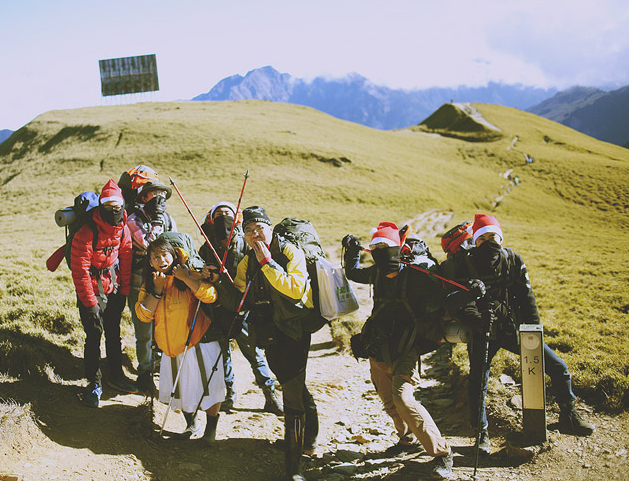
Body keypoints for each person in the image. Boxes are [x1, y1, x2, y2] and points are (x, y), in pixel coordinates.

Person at [446, 213, 595, 454]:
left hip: (511, 329)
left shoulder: (513, 260)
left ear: (501, 238)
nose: (488, 242)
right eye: (482, 238)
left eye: (492, 236)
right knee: (478, 382)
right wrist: (477, 319)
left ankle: (569, 414)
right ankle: (481, 433)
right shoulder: (464, 264)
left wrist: (533, 331)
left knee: (558, 367)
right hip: (482, 332)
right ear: (475, 241)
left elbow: (527, 298)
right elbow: (456, 303)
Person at [213, 206, 319, 481]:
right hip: (269, 334)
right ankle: (309, 439)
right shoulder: (247, 261)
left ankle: (294, 467)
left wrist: (268, 263)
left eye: (259, 228)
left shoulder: (289, 252)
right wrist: (217, 281)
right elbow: (239, 299)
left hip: (295, 331)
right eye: (248, 230)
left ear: (270, 228)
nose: (254, 234)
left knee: (292, 393)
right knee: (291, 383)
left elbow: (295, 289)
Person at [343, 222, 454, 479]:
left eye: (386, 246)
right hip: (378, 346)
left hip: (407, 347)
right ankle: (406, 440)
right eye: (376, 247)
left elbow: (443, 293)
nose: (381, 251)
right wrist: (351, 251)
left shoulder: (416, 274)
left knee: (403, 398)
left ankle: (442, 453)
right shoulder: (377, 273)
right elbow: (354, 273)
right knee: (387, 398)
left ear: (398, 248)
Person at [134, 236, 225, 443]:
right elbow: (143, 315)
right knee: (182, 389)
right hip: (170, 347)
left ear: (173, 255)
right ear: (150, 262)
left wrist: (185, 278)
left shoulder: (190, 273)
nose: (161, 260)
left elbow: (210, 295)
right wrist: (157, 290)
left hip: (198, 342)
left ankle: (210, 430)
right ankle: (191, 425)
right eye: (155, 257)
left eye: (165, 255)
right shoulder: (150, 284)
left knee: (208, 387)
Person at [199, 202, 283, 415]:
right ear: (211, 219)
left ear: (236, 217)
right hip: (217, 307)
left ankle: (270, 395)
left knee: (253, 352)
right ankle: (229, 394)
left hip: (244, 307)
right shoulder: (206, 245)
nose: (223, 216)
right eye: (218, 214)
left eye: (227, 213)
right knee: (223, 353)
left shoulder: (245, 241)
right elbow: (200, 270)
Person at [71, 179, 139, 407]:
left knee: (113, 332)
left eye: (117, 206)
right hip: (91, 291)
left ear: (123, 206)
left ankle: (116, 375)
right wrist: (89, 303)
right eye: (108, 206)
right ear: (101, 206)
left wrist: (124, 291)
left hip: (114, 288)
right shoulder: (87, 231)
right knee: (93, 335)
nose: (113, 210)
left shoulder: (123, 229)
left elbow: (126, 259)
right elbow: (80, 271)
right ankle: (94, 383)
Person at [127, 180, 178, 395]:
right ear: (144, 197)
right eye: (153, 194)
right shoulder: (133, 219)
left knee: (165, 327)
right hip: (139, 283)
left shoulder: (169, 219)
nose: (158, 198)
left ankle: (161, 366)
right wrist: (157, 221)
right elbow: (150, 246)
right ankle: (145, 372)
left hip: (166, 284)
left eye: (162, 194)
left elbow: (175, 247)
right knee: (144, 332)